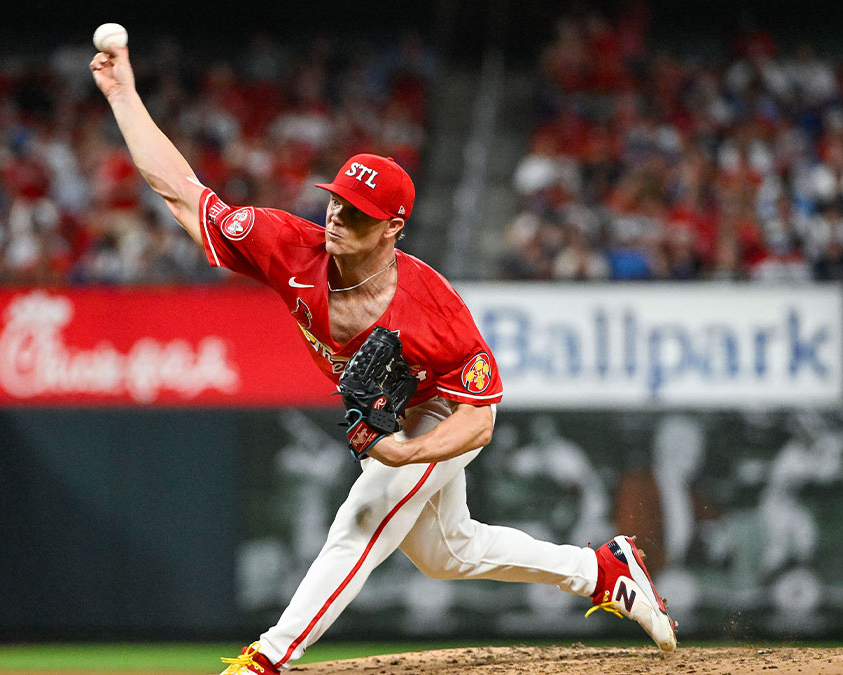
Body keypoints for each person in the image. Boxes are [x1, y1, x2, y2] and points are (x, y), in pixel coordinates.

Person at [89, 39, 677, 675]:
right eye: (337, 201)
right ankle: (602, 570)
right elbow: (181, 191)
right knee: (448, 552)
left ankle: (270, 658)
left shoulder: (435, 311)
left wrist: (401, 452)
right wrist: (123, 93)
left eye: (359, 215)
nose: (339, 218)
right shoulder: (289, 246)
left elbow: (480, 421)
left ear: (393, 227)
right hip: (404, 417)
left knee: (366, 511)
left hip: (442, 409)